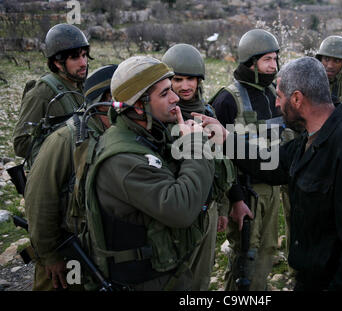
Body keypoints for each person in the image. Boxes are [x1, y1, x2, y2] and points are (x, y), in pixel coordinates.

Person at [193, 56, 342, 290]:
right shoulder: (309, 139)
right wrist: (225, 138)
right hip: (310, 278)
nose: (277, 104)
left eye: (279, 96)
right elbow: (271, 163)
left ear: (297, 98)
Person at [82, 56, 215, 290]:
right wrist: (194, 145)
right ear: (139, 105)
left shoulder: (147, 133)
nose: (175, 98)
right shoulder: (123, 159)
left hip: (164, 270)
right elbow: (180, 208)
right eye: (165, 94)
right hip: (146, 281)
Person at [24, 65, 117, 291]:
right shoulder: (66, 139)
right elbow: (39, 200)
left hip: (95, 250)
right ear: (101, 101)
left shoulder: (113, 134)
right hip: (65, 250)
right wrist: (49, 255)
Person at [210, 29, 282, 291]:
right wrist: (236, 199)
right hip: (245, 193)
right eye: (267, 60)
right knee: (245, 260)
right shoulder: (227, 99)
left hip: (272, 190)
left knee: (267, 251)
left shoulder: (273, 94)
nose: (273, 66)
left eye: (275, 59)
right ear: (251, 63)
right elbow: (219, 156)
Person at [162, 43, 234, 290]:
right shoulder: (163, 117)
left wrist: (222, 207)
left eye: (190, 79)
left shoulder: (208, 111)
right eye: (178, 79)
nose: (184, 86)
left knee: (202, 277)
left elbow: (221, 163)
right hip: (180, 209)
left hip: (210, 208)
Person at [13, 23, 90, 165]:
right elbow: (20, 144)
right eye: (75, 58)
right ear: (58, 63)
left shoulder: (83, 87)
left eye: (84, 55)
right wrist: (61, 142)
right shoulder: (42, 93)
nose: (83, 63)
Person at [315, 35, 342, 119]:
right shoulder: (310, 81)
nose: (330, 65)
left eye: (337, 61)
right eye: (326, 59)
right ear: (320, 59)